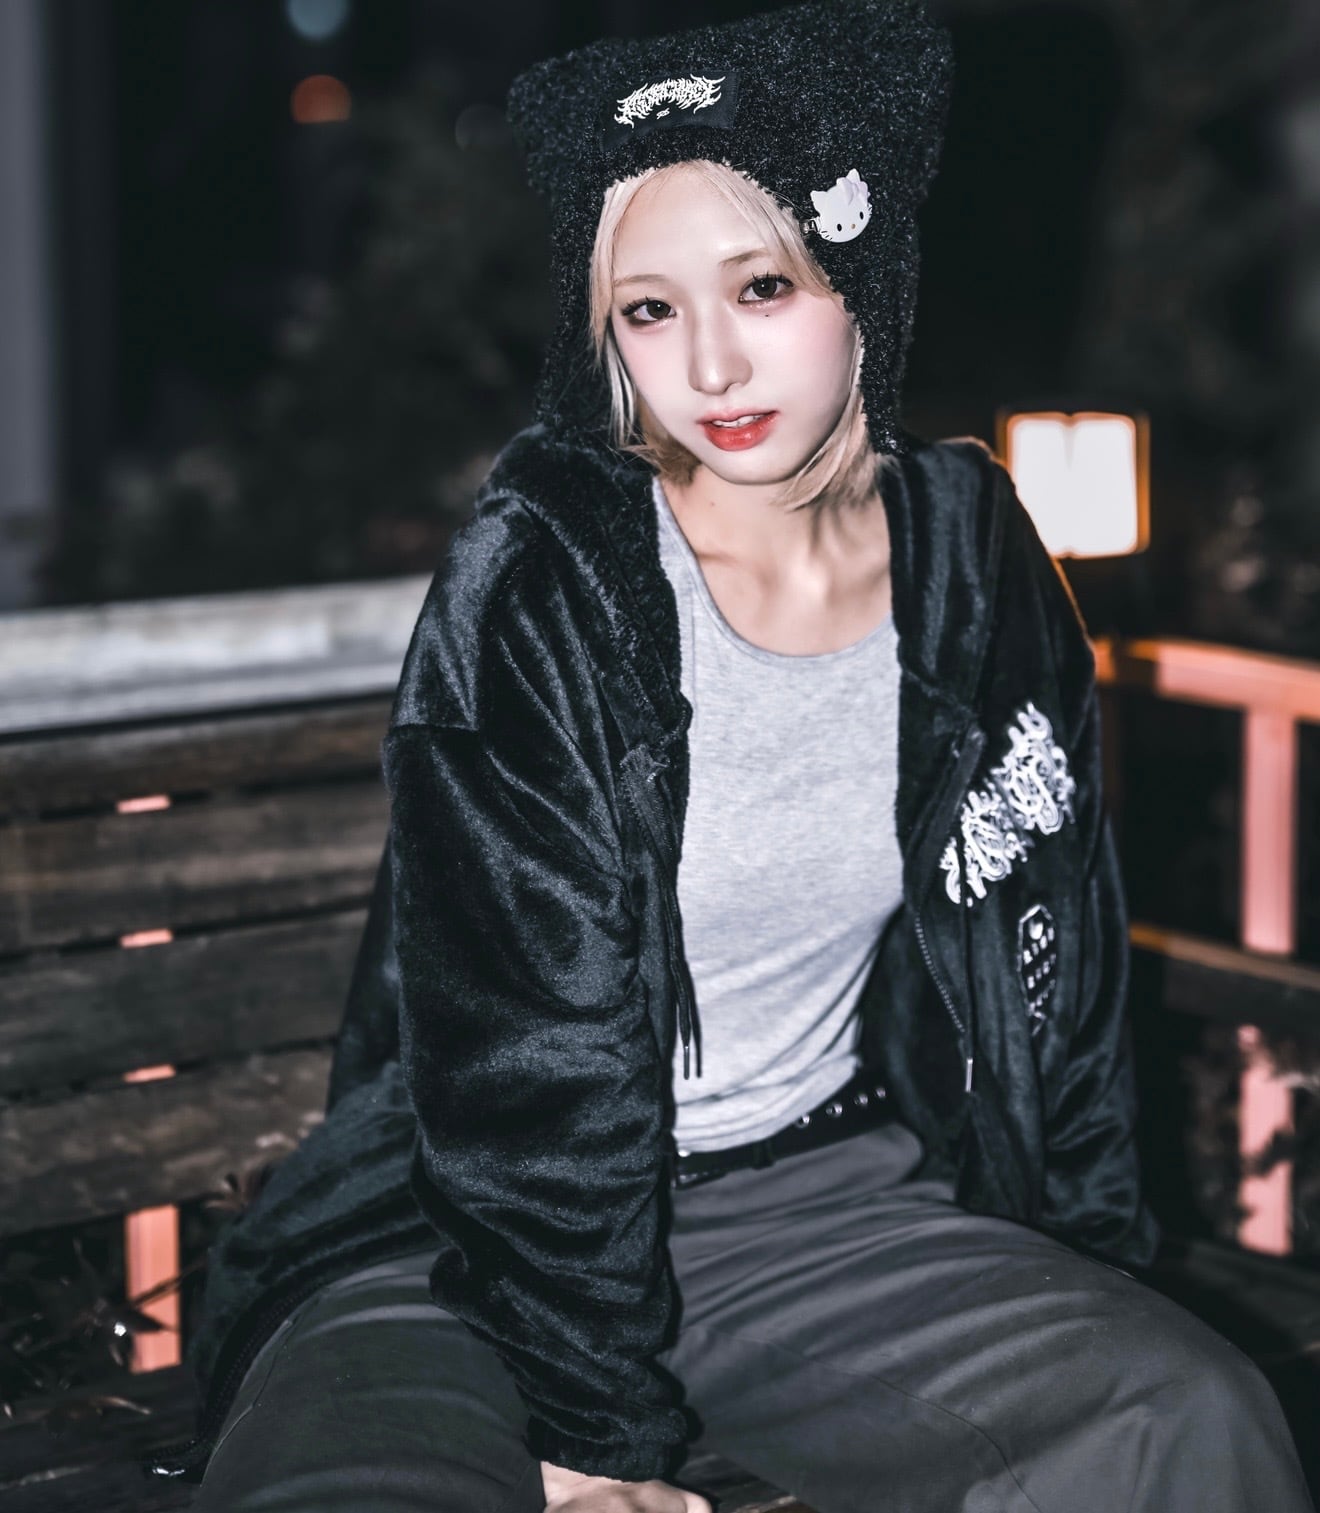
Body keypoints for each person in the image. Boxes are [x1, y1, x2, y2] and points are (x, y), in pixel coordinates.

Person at [149, 2, 1315, 1510]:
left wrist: (1084, 1264)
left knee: (1185, 1417)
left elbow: (1060, 962)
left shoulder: (972, 556)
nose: (708, 361)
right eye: (648, 310)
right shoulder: (549, 580)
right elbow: (525, 1060)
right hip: (465, 1233)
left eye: (762, 285)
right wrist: (592, 1434)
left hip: (812, 1203)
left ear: (860, 277)